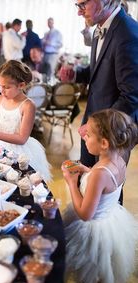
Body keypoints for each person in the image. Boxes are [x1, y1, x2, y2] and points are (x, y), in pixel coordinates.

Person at [62, 109, 138, 283]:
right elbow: (108, 185)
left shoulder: (99, 172)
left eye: (89, 135)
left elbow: (85, 213)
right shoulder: (120, 158)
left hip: (92, 233)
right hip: (111, 223)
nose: (84, 137)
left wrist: (71, 182)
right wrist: (87, 172)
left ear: (104, 143)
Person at [59, 0, 138, 168]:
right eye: (77, 6)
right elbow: (100, 70)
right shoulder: (98, 29)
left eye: (83, 5)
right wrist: (75, 74)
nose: (79, 12)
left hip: (111, 134)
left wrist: (98, 126)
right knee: (87, 181)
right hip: (91, 124)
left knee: (107, 191)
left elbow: (131, 95)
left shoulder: (129, 33)